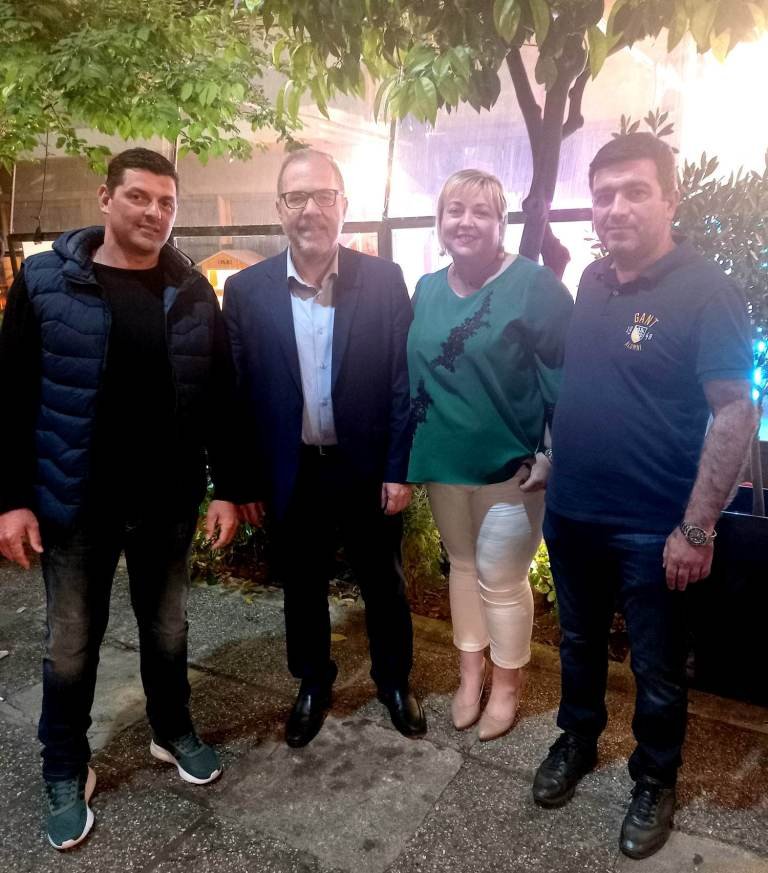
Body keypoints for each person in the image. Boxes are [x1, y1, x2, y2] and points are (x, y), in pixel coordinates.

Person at [0, 148, 256, 850]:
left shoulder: (191, 289)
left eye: (166, 202)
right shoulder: (47, 281)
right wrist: (11, 500)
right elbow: (11, 395)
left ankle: (171, 729)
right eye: (139, 196)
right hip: (76, 498)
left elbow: (220, 397)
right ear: (105, 198)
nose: (153, 212)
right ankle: (64, 763)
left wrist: (229, 489)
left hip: (166, 499)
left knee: (168, 628)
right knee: (70, 643)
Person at [533, 133, 758, 859]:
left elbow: (735, 410)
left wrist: (697, 528)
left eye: (635, 191)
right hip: (573, 513)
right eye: (604, 195)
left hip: (652, 526)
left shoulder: (707, 290)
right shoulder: (593, 280)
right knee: (577, 643)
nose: (616, 207)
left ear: (671, 198)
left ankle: (656, 777)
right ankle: (577, 738)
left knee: (657, 666)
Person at [223, 148, 425, 748]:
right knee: (302, 585)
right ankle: (313, 681)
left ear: (343, 205)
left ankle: (394, 680)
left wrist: (400, 469)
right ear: (279, 208)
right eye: (296, 198)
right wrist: (243, 483)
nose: (310, 209)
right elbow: (237, 393)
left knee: (384, 582)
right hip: (292, 471)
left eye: (323, 196)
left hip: (366, 468)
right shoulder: (246, 290)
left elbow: (402, 382)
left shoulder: (383, 281)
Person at [407, 169, 573, 740]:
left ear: (502, 222)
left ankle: (506, 687)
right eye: (455, 210)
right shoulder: (427, 288)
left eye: (481, 211)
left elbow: (566, 375)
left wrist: (551, 449)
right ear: (440, 221)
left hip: (513, 468)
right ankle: (469, 676)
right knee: (462, 567)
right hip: (444, 464)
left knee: (501, 578)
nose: (466, 221)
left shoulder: (535, 286)